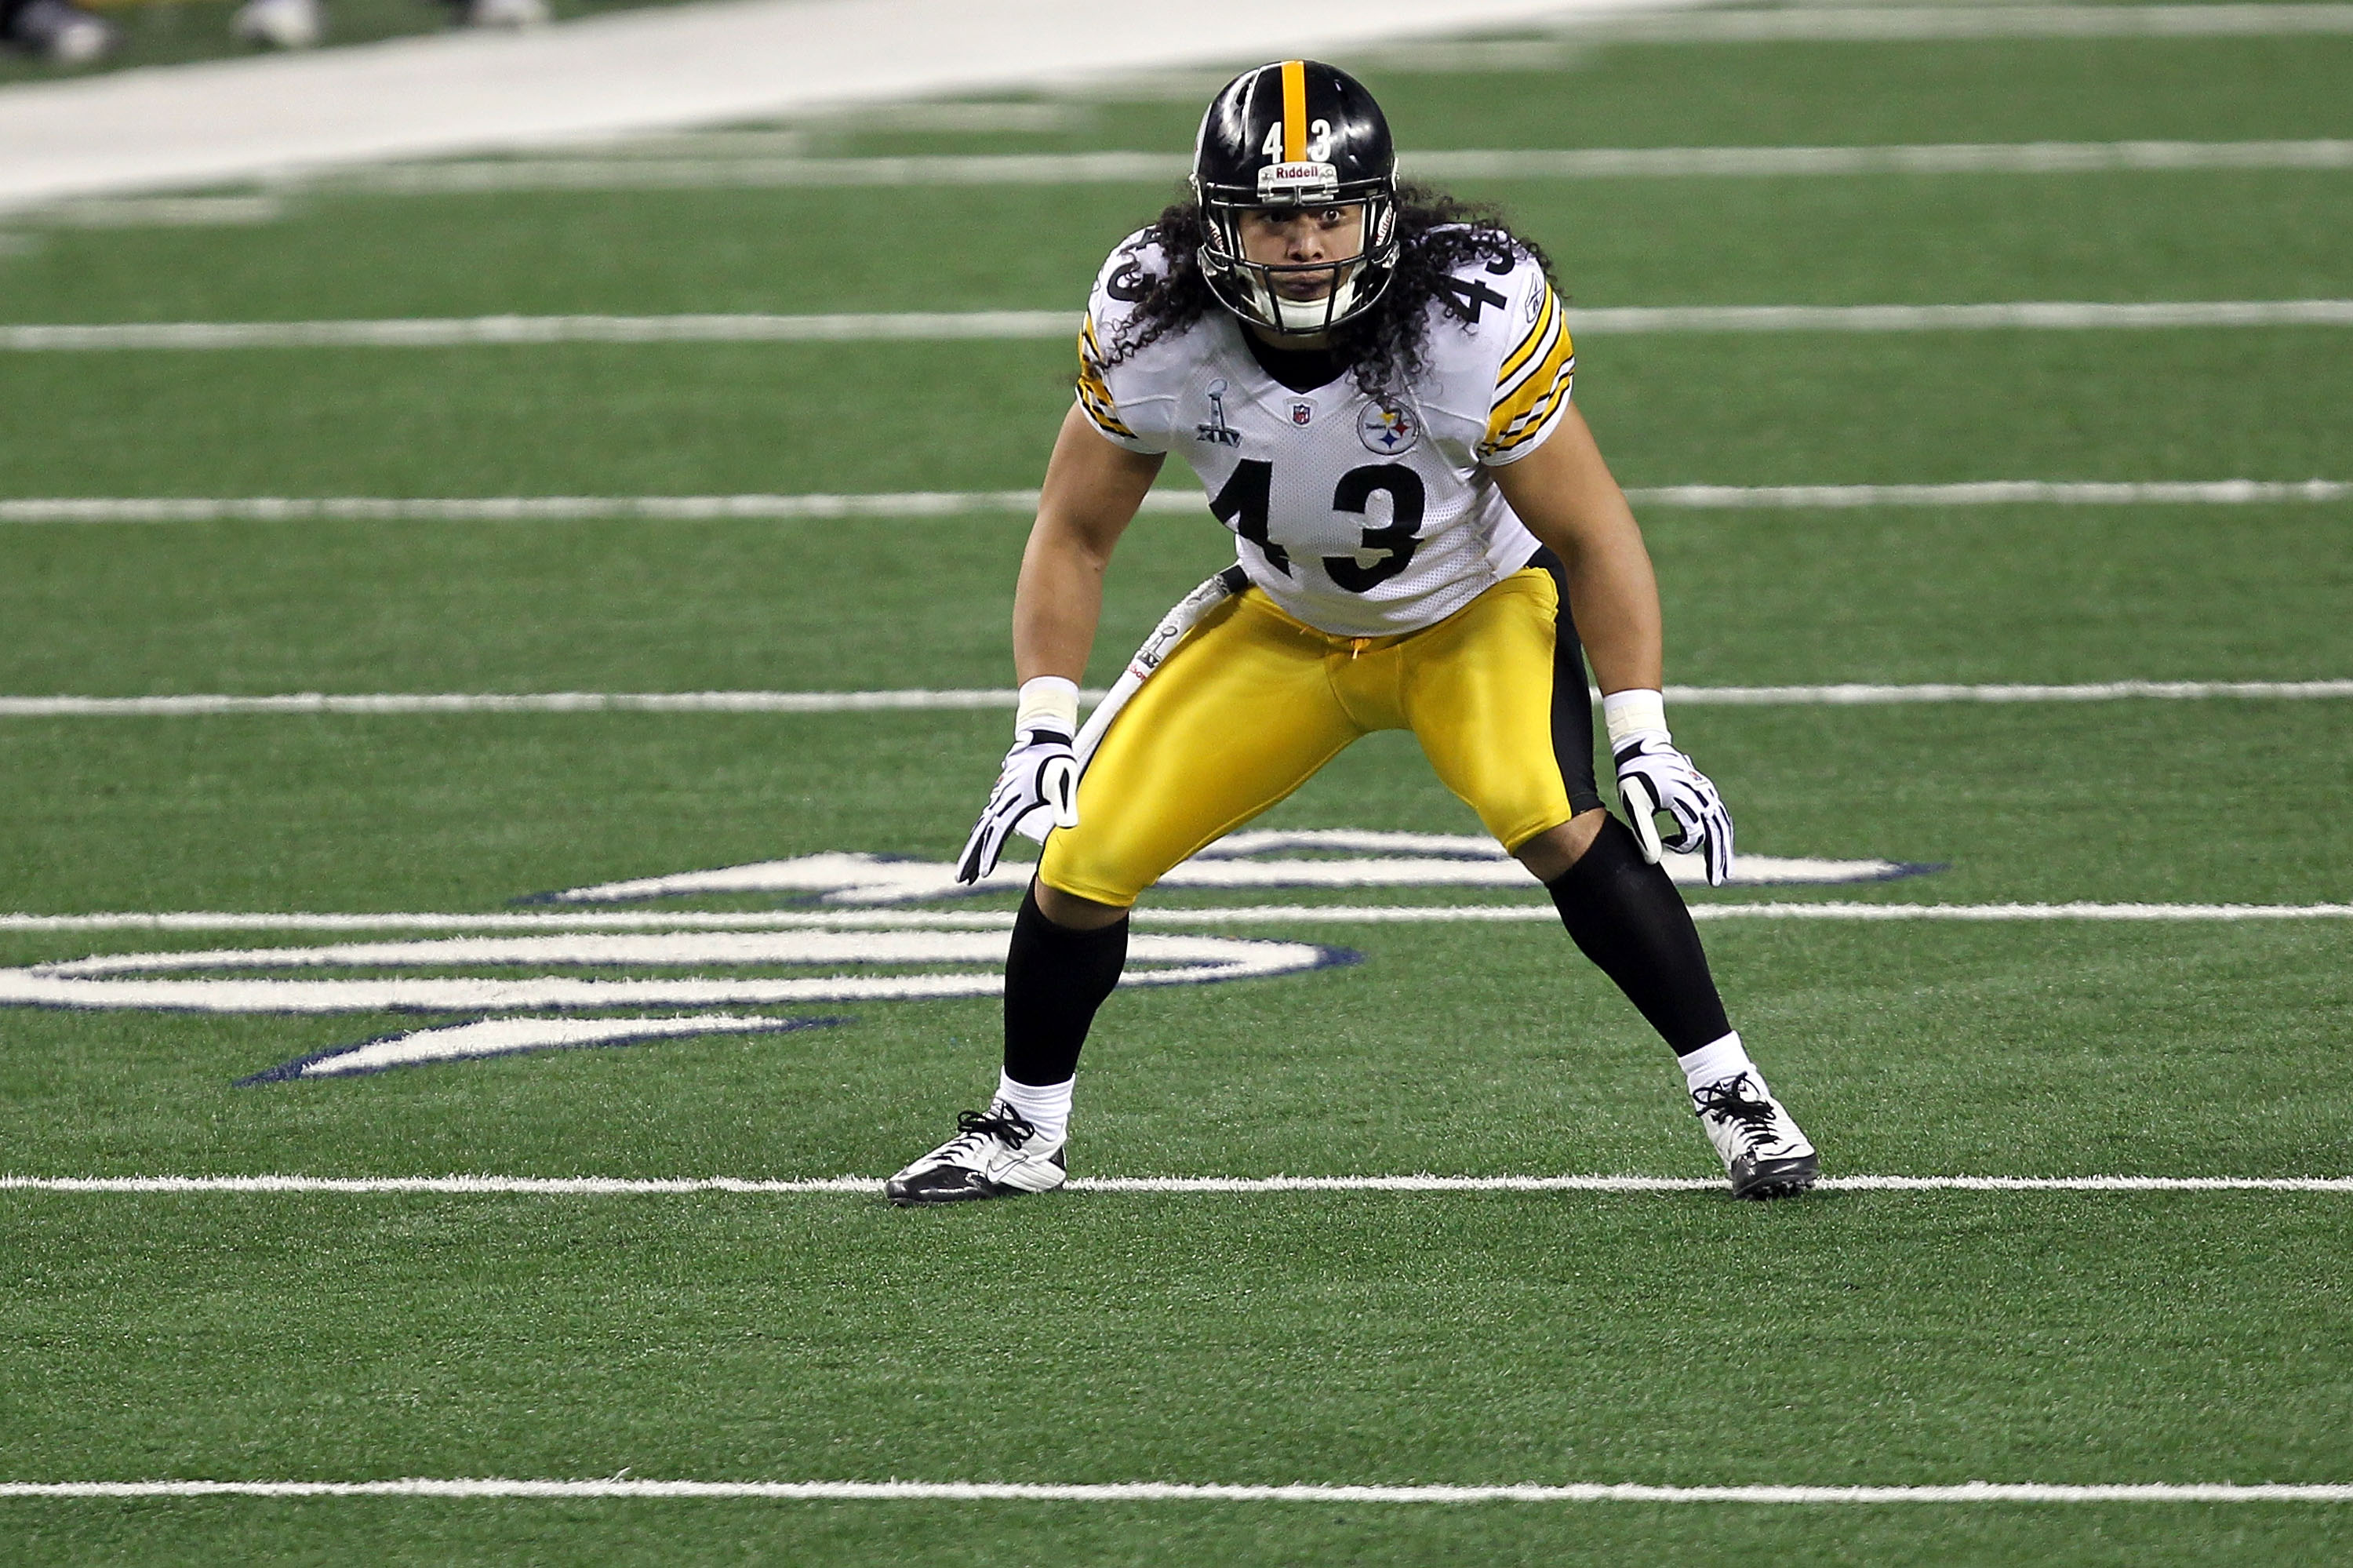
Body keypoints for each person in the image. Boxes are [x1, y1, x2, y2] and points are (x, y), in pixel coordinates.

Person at [886, 60, 1818, 1206]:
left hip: (1473, 614)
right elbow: (1074, 533)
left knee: (1557, 823)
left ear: (1382, 211)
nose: (1308, 244)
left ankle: (1736, 1096)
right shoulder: (1154, 319)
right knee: (1082, 860)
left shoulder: (1463, 322)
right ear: (1213, 224)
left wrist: (1642, 733)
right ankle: (1025, 1132)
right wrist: (1039, 726)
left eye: (1331, 211)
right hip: (1284, 623)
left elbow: (1592, 533)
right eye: (1275, 218)